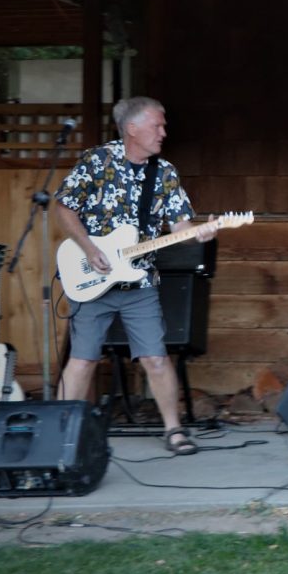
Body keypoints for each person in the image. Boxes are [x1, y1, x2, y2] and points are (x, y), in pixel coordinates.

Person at [54, 96, 217, 455]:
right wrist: (88, 248)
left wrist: (200, 232)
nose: (163, 132)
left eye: (163, 126)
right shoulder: (96, 161)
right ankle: (59, 435)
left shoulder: (165, 172)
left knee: (155, 358)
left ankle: (174, 430)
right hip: (92, 280)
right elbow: (64, 207)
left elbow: (180, 226)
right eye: (157, 125)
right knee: (82, 360)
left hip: (140, 281)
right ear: (132, 128)